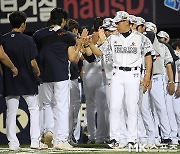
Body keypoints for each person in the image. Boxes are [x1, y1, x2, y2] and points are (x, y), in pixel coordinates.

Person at [88, 11, 153, 148]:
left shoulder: (141, 38)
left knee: (131, 107)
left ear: (126, 22)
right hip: (117, 74)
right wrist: (90, 45)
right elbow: (101, 53)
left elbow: (148, 55)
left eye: (118, 22)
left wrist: (147, 75)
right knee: (115, 106)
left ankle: (132, 139)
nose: (116, 24)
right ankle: (114, 138)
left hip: (133, 74)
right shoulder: (113, 38)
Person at [33, 8, 81, 150]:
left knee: (46, 105)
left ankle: (48, 131)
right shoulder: (68, 36)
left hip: (44, 76)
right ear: (63, 21)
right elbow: (73, 58)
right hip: (60, 76)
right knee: (61, 107)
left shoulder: (38, 35)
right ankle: (61, 140)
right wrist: (78, 46)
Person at [2, 11, 45, 150]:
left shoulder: (4, 39)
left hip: (11, 80)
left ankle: (13, 143)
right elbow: (33, 62)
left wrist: (5, 74)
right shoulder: (28, 40)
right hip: (27, 79)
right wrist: (37, 71)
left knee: (11, 112)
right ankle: (34, 141)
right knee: (34, 110)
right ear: (23, 24)